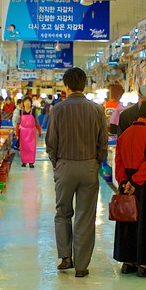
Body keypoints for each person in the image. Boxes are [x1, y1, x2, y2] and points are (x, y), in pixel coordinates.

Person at [45, 68, 108, 278]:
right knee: (85, 216)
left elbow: (51, 141)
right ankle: (81, 266)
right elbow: (103, 143)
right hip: (89, 167)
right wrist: (95, 162)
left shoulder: (58, 109)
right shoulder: (97, 110)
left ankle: (65, 258)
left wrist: (56, 163)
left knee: (63, 213)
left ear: (66, 85)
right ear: (84, 85)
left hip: (64, 167)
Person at [114, 99, 146, 278]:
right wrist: (136, 183)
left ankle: (127, 262)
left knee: (128, 219)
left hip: (126, 181)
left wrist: (124, 182)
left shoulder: (125, 135)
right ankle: (144, 264)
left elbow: (118, 161)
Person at [15, 96, 42, 168]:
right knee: (23, 147)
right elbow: (18, 123)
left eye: (29, 101)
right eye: (25, 101)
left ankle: (31, 162)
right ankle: (24, 162)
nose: (27, 103)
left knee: (31, 147)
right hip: (23, 132)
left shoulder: (33, 112)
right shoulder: (20, 112)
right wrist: (16, 133)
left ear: (31, 103)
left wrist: (39, 131)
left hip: (31, 132)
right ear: (23, 103)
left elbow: (36, 122)